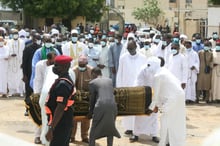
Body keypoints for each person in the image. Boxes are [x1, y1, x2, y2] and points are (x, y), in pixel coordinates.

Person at [148, 57, 186, 146]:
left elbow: (156, 94)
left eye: (149, 65)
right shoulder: (163, 70)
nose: (148, 68)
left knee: (164, 120)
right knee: (173, 120)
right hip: (179, 96)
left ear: (154, 65)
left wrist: (152, 107)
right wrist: (158, 105)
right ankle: (170, 142)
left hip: (173, 98)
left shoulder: (158, 75)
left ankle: (163, 143)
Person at [116, 40, 147, 141]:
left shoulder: (143, 58)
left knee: (137, 108)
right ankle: (129, 128)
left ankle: (136, 129)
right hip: (126, 86)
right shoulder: (123, 58)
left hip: (138, 87)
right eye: (128, 49)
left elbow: (145, 73)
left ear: (136, 47)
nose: (130, 51)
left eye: (132, 49)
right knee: (127, 108)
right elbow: (120, 72)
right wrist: (119, 87)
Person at [45, 55, 75, 146]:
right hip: (61, 121)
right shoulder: (62, 80)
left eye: (56, 65)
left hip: (61, 123)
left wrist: (52, 128)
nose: (54, 67)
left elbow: (61, 107)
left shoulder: (63, 84)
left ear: (65, 67)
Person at [87, 67, 121, 146]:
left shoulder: (92, 83)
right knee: (111, 127)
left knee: (94, 127)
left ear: (93, 74)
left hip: (100, 106)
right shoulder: (109, 80)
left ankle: (91, 144)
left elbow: (92, 99)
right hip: (113, 106)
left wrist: (90, 112)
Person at [33, 52, 56, 145]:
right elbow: (37, 79)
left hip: (51, 92)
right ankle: (37, 136)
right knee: (39, 115)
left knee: (48, 117)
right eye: (53, 60)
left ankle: (48, 137)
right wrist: (37, 93)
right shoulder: (40, 65)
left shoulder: (54, 67)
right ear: (49, 59)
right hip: (41, 91)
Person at [70, 55, 92, 143]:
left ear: (86, 63)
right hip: (75, 97)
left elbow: (93, 83)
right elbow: (71, 84)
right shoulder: (73, 70)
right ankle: (71, 136)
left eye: (83, 65)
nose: (81, 66)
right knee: (73, 118)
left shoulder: (91, 70)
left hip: (87, 98)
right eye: (80, 64)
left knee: (86, 118)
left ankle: (85, 136)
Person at [22, 33, 42, 116]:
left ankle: (38, 109)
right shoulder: (27, 48)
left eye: (38, 38)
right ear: (33, 39)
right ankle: (28, 109)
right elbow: (24, 63)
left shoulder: (41, 49)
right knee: (29, 92)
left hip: (39, 74)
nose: (37, 40)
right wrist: (24, 75)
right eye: (36, 38)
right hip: (29, 74)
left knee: (38, 92)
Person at [7, 29, 25, 96]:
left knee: (20, 76)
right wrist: (10, 54)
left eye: (16, 33)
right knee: (11, 77)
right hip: (11, 61)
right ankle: (11, 91)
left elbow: (23, 52)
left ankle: (20, 91)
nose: (15, 35)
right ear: (12, 35)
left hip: (19, 62)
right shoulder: (9, 42)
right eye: (14, 34)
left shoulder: (22, 42)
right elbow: (7, 50)